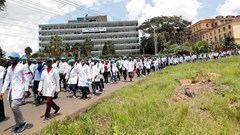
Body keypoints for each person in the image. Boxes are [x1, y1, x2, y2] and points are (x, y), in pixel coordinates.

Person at [0, 52, 29, 133]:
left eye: (13, 58)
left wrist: (26, 90)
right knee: (13, 108)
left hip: (20, 89)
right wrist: (2, 91)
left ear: (18, 59)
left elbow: (26, 79)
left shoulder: (22, 67)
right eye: (11, 58)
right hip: (12, 91)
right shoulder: (9, 68)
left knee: (14, 106)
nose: (11, 60)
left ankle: (23, 122)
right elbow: (6, 80)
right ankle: (18, 124)